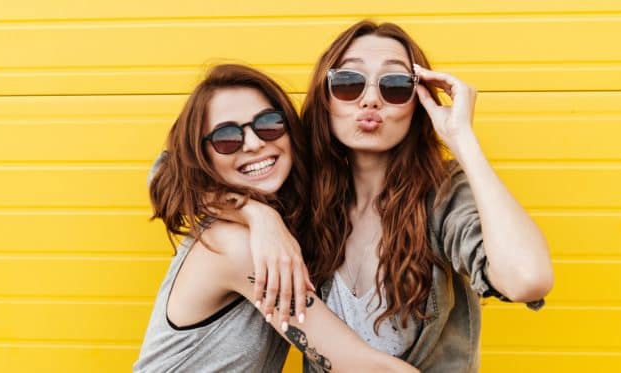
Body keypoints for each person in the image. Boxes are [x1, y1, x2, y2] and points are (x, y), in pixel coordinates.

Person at [239, 20, 555, 371]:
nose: (371, 99)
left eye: (395, 85)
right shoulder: (304, 191)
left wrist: (463, 140)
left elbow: (528, 278)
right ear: (325, 98)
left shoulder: (441, 197)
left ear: (417, 102)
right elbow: (173, 175)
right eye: (349, 83)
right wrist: (259, 216)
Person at [133, 64, 416, 372]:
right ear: (204, 157)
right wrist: (258, 215)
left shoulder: (273, 221)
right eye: (226, 137)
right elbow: (362, 367)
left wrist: (260, 216)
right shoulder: (235, 246)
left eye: (268, 124)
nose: (254, 143)